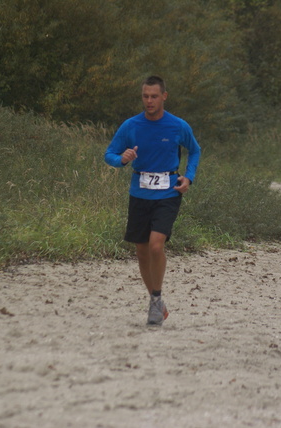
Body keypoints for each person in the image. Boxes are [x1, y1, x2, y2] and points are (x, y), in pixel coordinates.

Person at [104, 75, 201, 326]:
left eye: (154, 96)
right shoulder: (131, 126)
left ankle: (156, 298)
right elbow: (110, 155)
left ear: (164, 97)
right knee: (141, 250)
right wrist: (122, 159)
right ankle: (156, 302)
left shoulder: (178, 126)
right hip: (140, 192)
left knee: (156, 245)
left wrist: (188, 177)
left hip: (168, 192)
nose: (149, 101)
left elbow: (195, 150)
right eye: (145, 96)